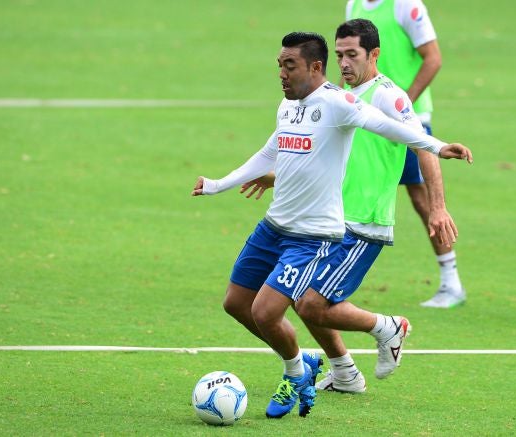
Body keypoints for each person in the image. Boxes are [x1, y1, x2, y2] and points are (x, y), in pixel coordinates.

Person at [192, 32, 472, 417]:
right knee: (251, 304)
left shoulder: (358, 100)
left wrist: (437, 148)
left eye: (350, 53)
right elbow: (280, 149)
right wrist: (223, 184)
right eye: (280, 65)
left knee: (287, 307)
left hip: (335, 226)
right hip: (284, 224)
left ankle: (318, 360)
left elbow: (391, 128)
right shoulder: (294, 105)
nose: (282, 73)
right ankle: (340, 369)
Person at [348, 0, 467, 308]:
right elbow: (350, 62)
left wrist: (403, 110)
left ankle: (451, 282)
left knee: (420, 197)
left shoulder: (405, 6)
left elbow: (433, 59)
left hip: (403, 116)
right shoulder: (355, 5)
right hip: (366, 117)